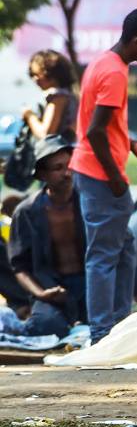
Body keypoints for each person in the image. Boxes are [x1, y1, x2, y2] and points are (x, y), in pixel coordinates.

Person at [71, 7, 137, 343]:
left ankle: (119, 323)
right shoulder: (115, 73)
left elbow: (106, 127)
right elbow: (95, 132)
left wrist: (132, 145)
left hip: (95, 171)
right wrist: (114, 176)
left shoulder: (103, 63)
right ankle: (102, 333)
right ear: (136, 41)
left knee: (123, 248)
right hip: (100, 176)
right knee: (103, 256)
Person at [9, 135, 86, 337]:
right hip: (50, 287)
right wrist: (41, 294)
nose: (67, 173)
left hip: (88, 284)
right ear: (43, 174)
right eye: (58, 168)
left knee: (109, 324)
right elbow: (20, 267)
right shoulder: (27, 212)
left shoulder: (88, 203)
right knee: (46, 327)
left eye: (70, 166)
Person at [22, 50, 78, 142]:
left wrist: (29, 115)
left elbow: (45, 134)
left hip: (56, 154)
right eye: (32, 75)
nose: (35, 79)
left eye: (37, 74)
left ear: (50, 73)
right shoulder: (69, 95)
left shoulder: (59, 97)